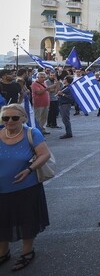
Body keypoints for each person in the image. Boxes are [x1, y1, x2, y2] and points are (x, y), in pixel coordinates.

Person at [0, 104, 51, 271]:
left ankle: (27, 251)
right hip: (2, 189)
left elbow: (44, 154)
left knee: (27, 220)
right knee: (2, 221)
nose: (9, 121)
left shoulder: (31, 133)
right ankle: (3, 251)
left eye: (14, 117)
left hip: (27, 188)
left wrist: (30, 169)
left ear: (23, 118)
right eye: (5, 118)